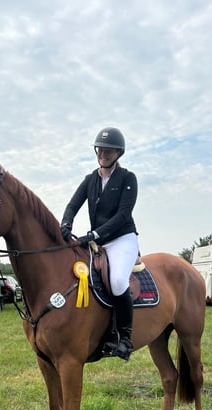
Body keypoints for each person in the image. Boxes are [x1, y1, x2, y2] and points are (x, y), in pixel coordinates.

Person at [60, 127, 139, 361]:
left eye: (109, 150)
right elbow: (73, 205)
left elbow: (123, 215)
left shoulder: (128, 178)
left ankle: (124, 338)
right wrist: (65, 224)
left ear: (118, 153)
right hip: (98, 243)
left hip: (123, 239)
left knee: (116, 281)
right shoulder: (90, 180)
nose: (103, 153)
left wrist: (94, 234)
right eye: (101, 149)